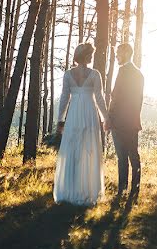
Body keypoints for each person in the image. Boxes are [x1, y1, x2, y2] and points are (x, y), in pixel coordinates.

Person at [53, 42, 108, 205]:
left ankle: (71, 190)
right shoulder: (95, 74)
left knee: (73, 149)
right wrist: (105, 117)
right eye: (90, 54)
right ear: (85, 56)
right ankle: (86, 190)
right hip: (89, 112)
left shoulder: (68, 74)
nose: (91, 57)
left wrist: (60, 119)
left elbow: (64, 98)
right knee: (88, 149)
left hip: (74, 113)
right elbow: (99, 98)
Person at [107, 43, 144, 198]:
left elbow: (115, 96)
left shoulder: (122, 71)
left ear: (127, 53)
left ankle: (122, 189)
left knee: (122, 157)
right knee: (133, 156)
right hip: (132, 121)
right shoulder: (139, 74)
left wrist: (109, 117)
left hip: (119, 122)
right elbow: (139, 101)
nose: (116, 57)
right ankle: (135, 190)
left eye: (118, 54)